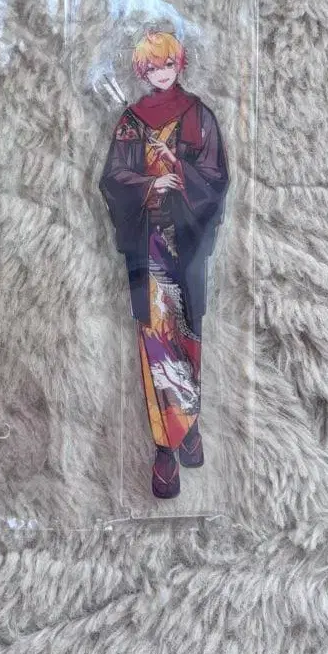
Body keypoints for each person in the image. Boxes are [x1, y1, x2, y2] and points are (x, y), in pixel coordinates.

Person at [99, 31, 229, 499]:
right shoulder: (131, 121)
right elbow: (113, 178)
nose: (160, 74)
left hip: (187, 246)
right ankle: (164, 448)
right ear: (142, 71)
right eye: (152, 68)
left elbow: (217, 179)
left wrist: (183, 176)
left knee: (188, 335)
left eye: (167, 65)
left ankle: (189, 425)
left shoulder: (199, 116)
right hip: (148, 245)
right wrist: (152, 185)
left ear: (180, 64)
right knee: (155, 342)